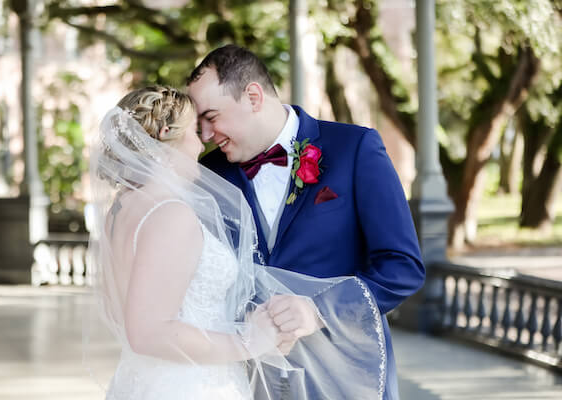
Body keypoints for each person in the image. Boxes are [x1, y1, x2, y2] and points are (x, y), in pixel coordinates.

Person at [87, 86, 387, 399]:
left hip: (143, 380)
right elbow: (149, 332)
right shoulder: (170, 214)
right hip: (192, 386)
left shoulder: (122, 209)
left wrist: (265, 331)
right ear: (167, 134)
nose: (201, 144)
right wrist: (248, 342)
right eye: (193, 131)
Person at [187, 44, 425, 399]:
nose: (205, 135)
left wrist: (318, 310)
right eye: (199, 124)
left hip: (344, 376)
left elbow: (403, 268)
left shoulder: (355, 148)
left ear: (253, 96)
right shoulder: (208, 175)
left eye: (211, 116)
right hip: (245, 380)